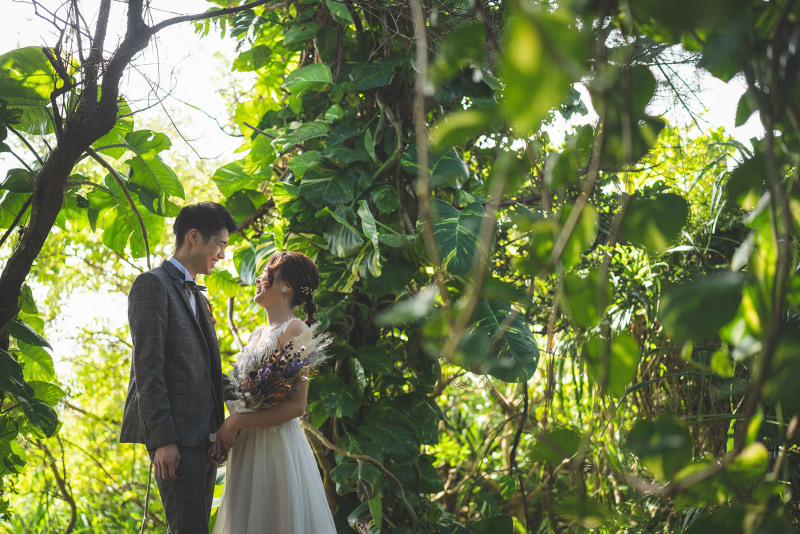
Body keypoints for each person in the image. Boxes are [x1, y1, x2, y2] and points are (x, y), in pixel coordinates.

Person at [120, 201, 237, 533]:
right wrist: (162, 440)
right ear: (194, 237)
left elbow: (207, 371)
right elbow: (148, 366)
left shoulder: (199, 295)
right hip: (175, 438)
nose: (222, 254)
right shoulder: (152, 284)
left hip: (205, 438)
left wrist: (252, 393)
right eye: (221, 244)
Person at [212, 251, 336, 534]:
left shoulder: (295, 329)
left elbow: (296, 406)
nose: (258, 279)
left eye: (267, 274)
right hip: (247, 446)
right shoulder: (257, 334)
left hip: (275, 448)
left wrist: (236, 423)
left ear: (286, 287)